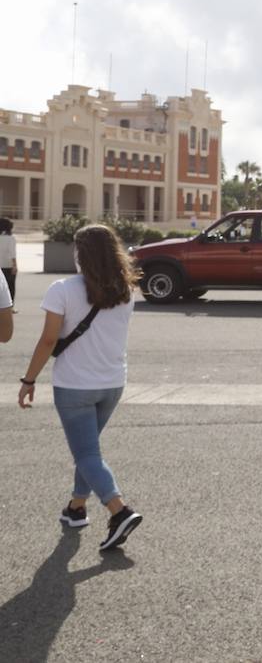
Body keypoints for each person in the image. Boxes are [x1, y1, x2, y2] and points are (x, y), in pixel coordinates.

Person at [17, 223, 144, 552]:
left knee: (86, 452)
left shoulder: (61, 289)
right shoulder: (127, 290)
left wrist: (29, 380)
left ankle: (119, 511)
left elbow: (48, 340)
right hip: (113, 382)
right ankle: (76, 507)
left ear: (81, 253)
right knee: (89, 451)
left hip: (74, 385)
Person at [0, 217, 16, 311]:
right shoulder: (10, 238)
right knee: (10, 287)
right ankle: (9, 308)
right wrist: (15, 265)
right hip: (8, 266)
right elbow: (12, 253)